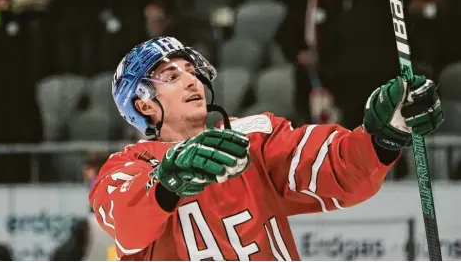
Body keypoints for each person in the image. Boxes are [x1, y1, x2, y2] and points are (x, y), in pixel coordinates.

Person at [89, 36, 443, 260]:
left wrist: (382, 137)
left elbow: (335, 167)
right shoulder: (125, 168)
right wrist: (168, 180)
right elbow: (127, 222)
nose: (191, 79)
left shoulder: (251, 138)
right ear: (144, 105)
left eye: (190, 70)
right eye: (171, 76)